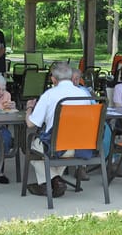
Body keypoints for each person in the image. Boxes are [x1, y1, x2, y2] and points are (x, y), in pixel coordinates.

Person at [24, 62, 92, 197]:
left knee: (33, 146)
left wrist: (29, 108)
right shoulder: (84, 96)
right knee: (54, 145)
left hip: (58, 146)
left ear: (53, 79)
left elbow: (31, 124)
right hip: (81, 146)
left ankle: (55, 180)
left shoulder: (49, 95)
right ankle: (52, 183)